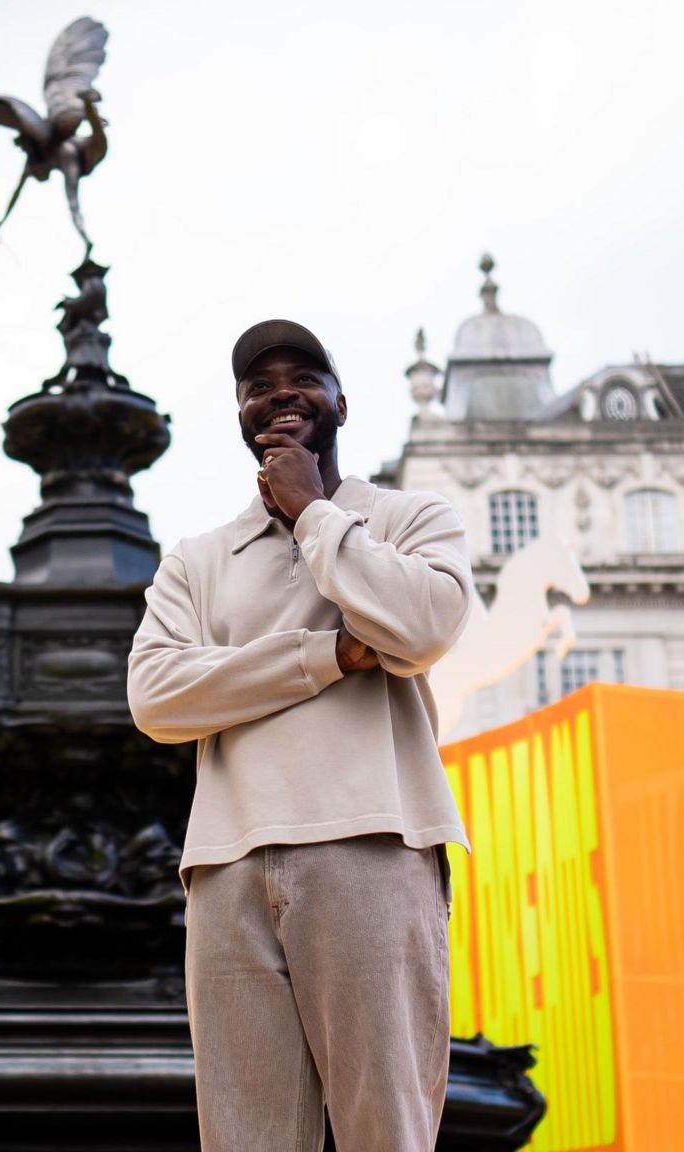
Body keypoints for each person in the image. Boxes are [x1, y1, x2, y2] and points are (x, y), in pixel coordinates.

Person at [126, 319, 474, 1152]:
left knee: (384, 1128)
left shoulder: (410, 518)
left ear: (341, 403)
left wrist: (315, 512)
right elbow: (156, 696)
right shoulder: (198, 558)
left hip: (374, 841)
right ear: (242, 415)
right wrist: (329, 655)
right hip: (226, 865)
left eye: (303, 376)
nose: (280, 392)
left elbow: (423, 627)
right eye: (258, 384)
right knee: (244, 1138)